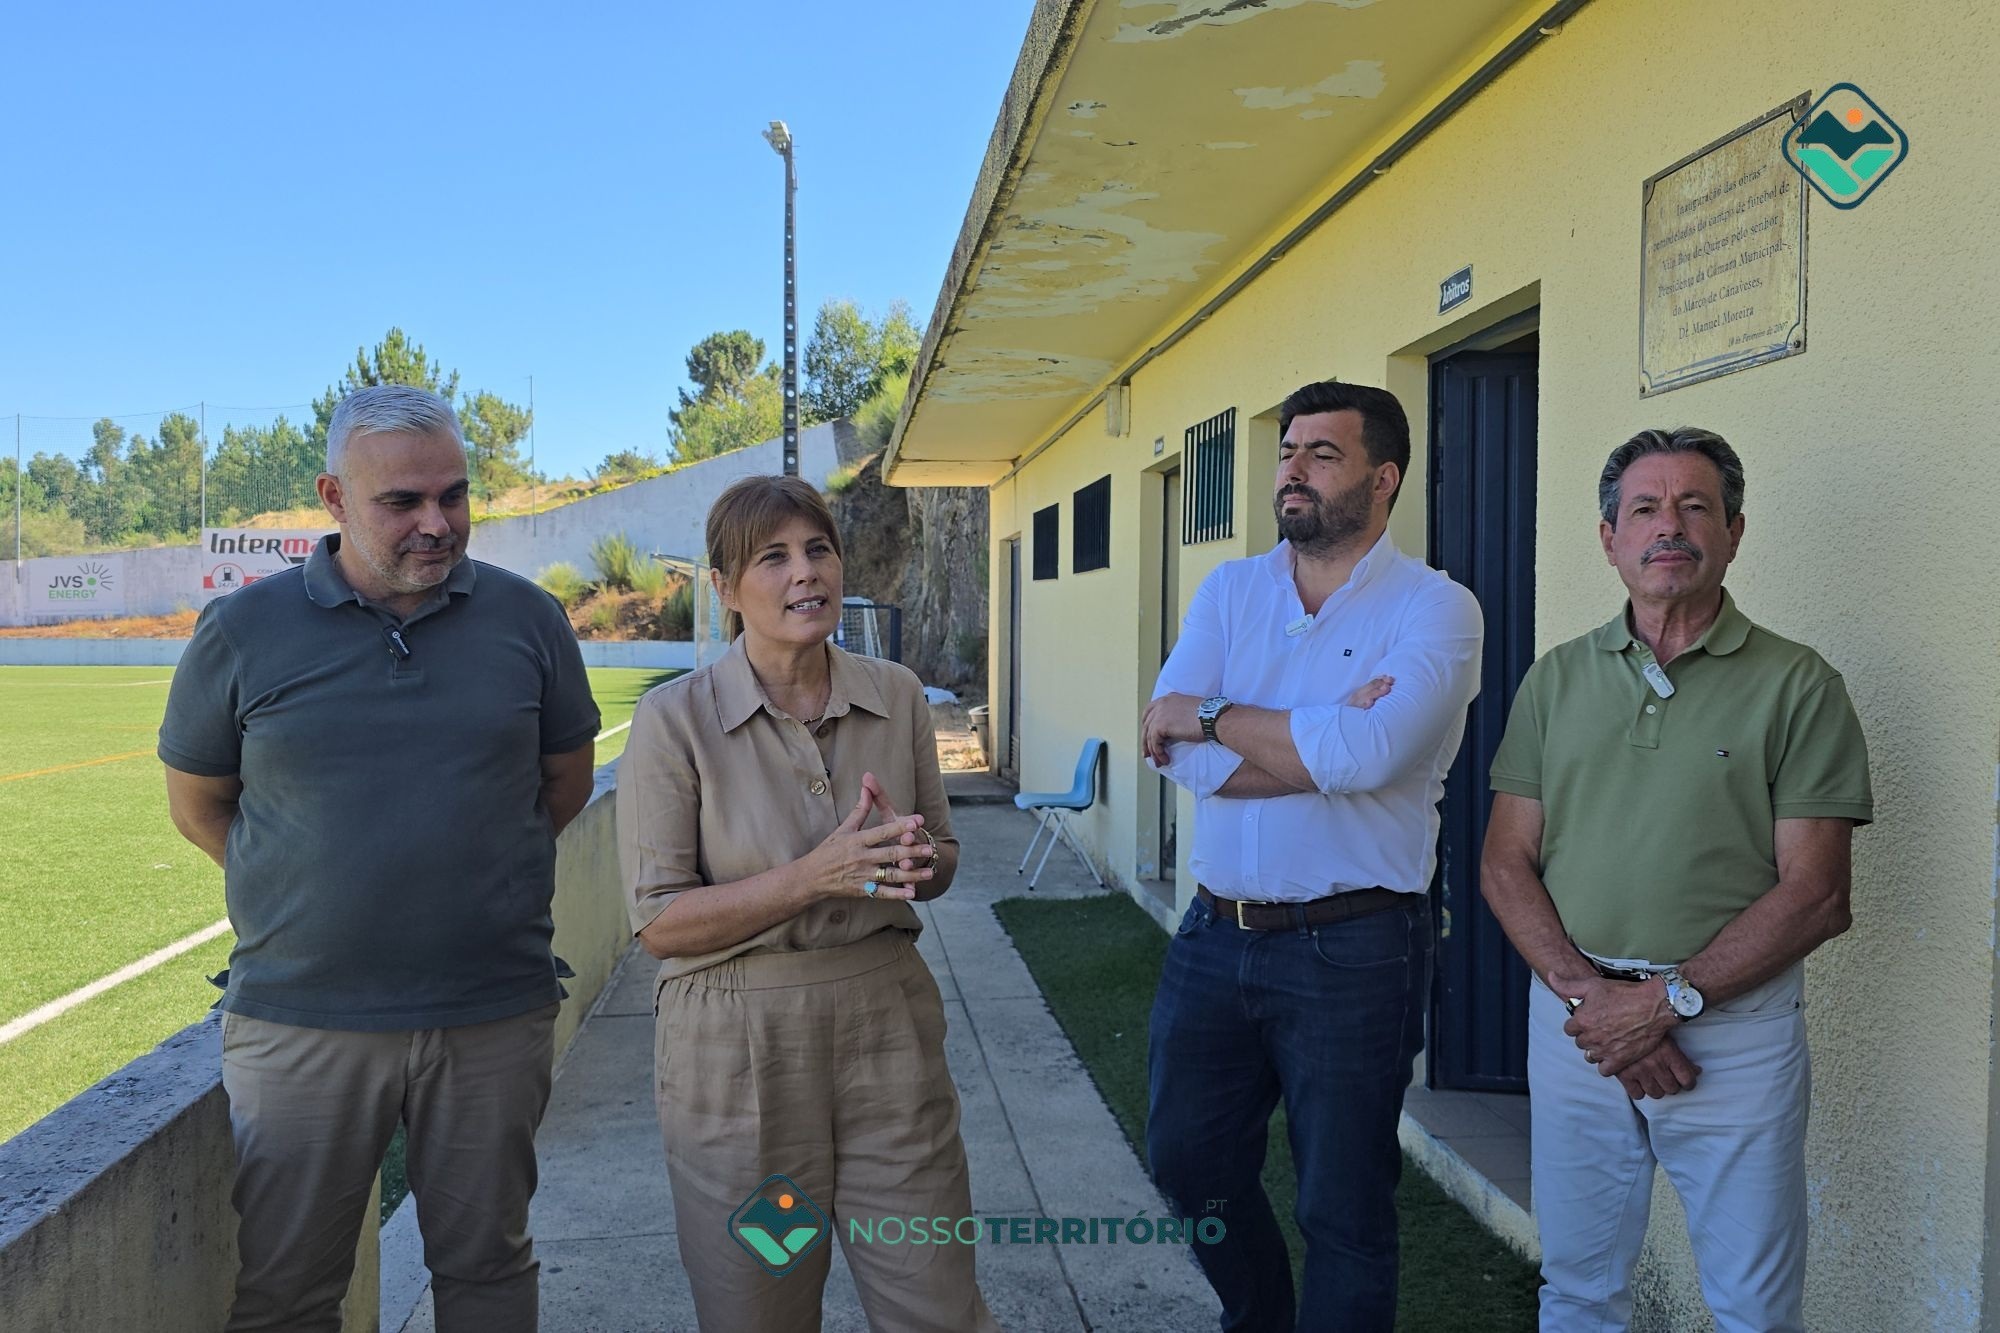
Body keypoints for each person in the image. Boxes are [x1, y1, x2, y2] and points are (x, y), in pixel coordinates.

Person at [158, 384, 600, 1333]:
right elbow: (200, 806)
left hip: (492, 1010)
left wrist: (469, 881)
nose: (437, 523)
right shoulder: (242, 632)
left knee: (487, 1268)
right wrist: (315, 898)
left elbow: (562, 785)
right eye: (402, 502)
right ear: (332, 497)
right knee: (288, 1294)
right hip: (301, 1024)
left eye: (455, 494)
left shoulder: (530, 622)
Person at [1480, 427, 1871, 1332]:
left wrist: (1664, 1002)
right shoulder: (1555, 680)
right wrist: (1599, 1001)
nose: (1671, 526)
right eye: (1646, 508)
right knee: (1577, 1288)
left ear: (1734, 532)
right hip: (1578, 1017)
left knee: (1752, 1306)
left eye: (1697, 506)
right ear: (1609, 536)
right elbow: (1505, 860)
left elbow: (1818, 894)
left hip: (1733, 1031)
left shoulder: (1799, 684)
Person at [616, 474, 997, 1333]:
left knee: (935, 1299)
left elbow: (942, 857)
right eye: (773, 557)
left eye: (818, 548)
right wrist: (813, 875)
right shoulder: (673, 722)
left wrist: (911, 857)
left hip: (888, 1038)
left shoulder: (895, 694)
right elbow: (661, 921)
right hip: (741, 1059)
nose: (805, 574)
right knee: (762, 1305)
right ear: (724, 588)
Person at [1142, 379, 1484, 1331]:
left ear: (1385, 479)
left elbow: (1360, 754)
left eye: (1320, 454)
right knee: (1186, 1163)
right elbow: (1171, 753)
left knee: (1343, 1205)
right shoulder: (1231, 588)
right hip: (1215, 930)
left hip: (1356, 943)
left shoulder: (1438, 610)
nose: (1291, 468)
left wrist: (1217, 718)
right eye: (1287, 450)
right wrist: (1326, 748)